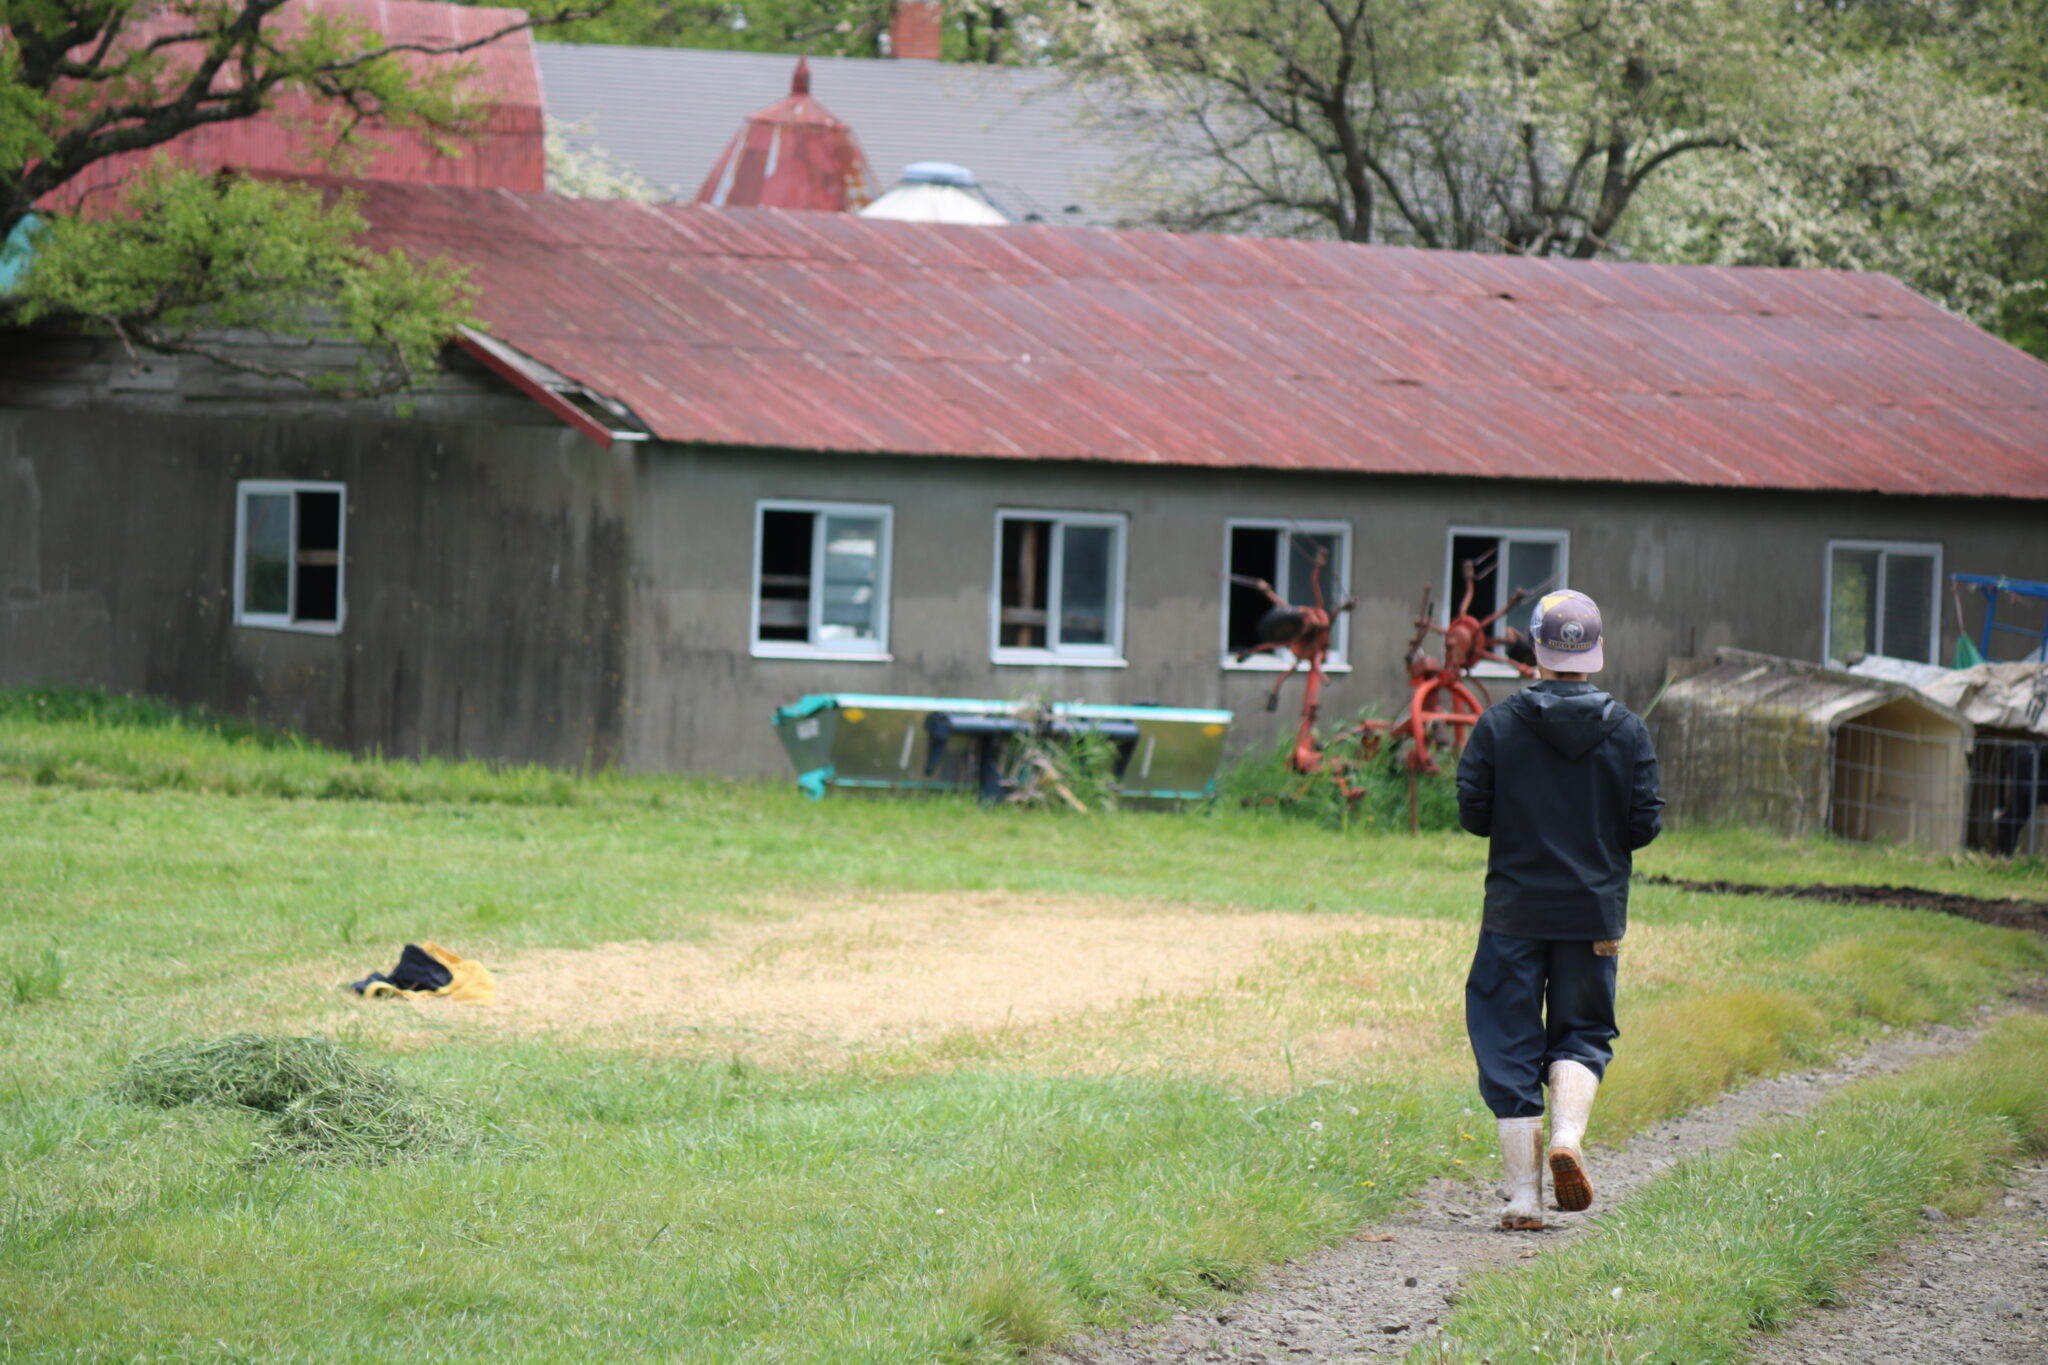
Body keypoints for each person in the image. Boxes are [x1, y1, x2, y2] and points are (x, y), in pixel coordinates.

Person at [1454, 589, 1663, 1230]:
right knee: (1583, 1032)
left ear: (1537, 652)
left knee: (1506, 1038)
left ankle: (1522, 1196)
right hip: (1594, 914)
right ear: (1595, 653)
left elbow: (1472, 814)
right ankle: (1568, 1137)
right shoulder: (1628, 729)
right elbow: (1645, 823)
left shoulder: (1497, 724)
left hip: (1515, 912)